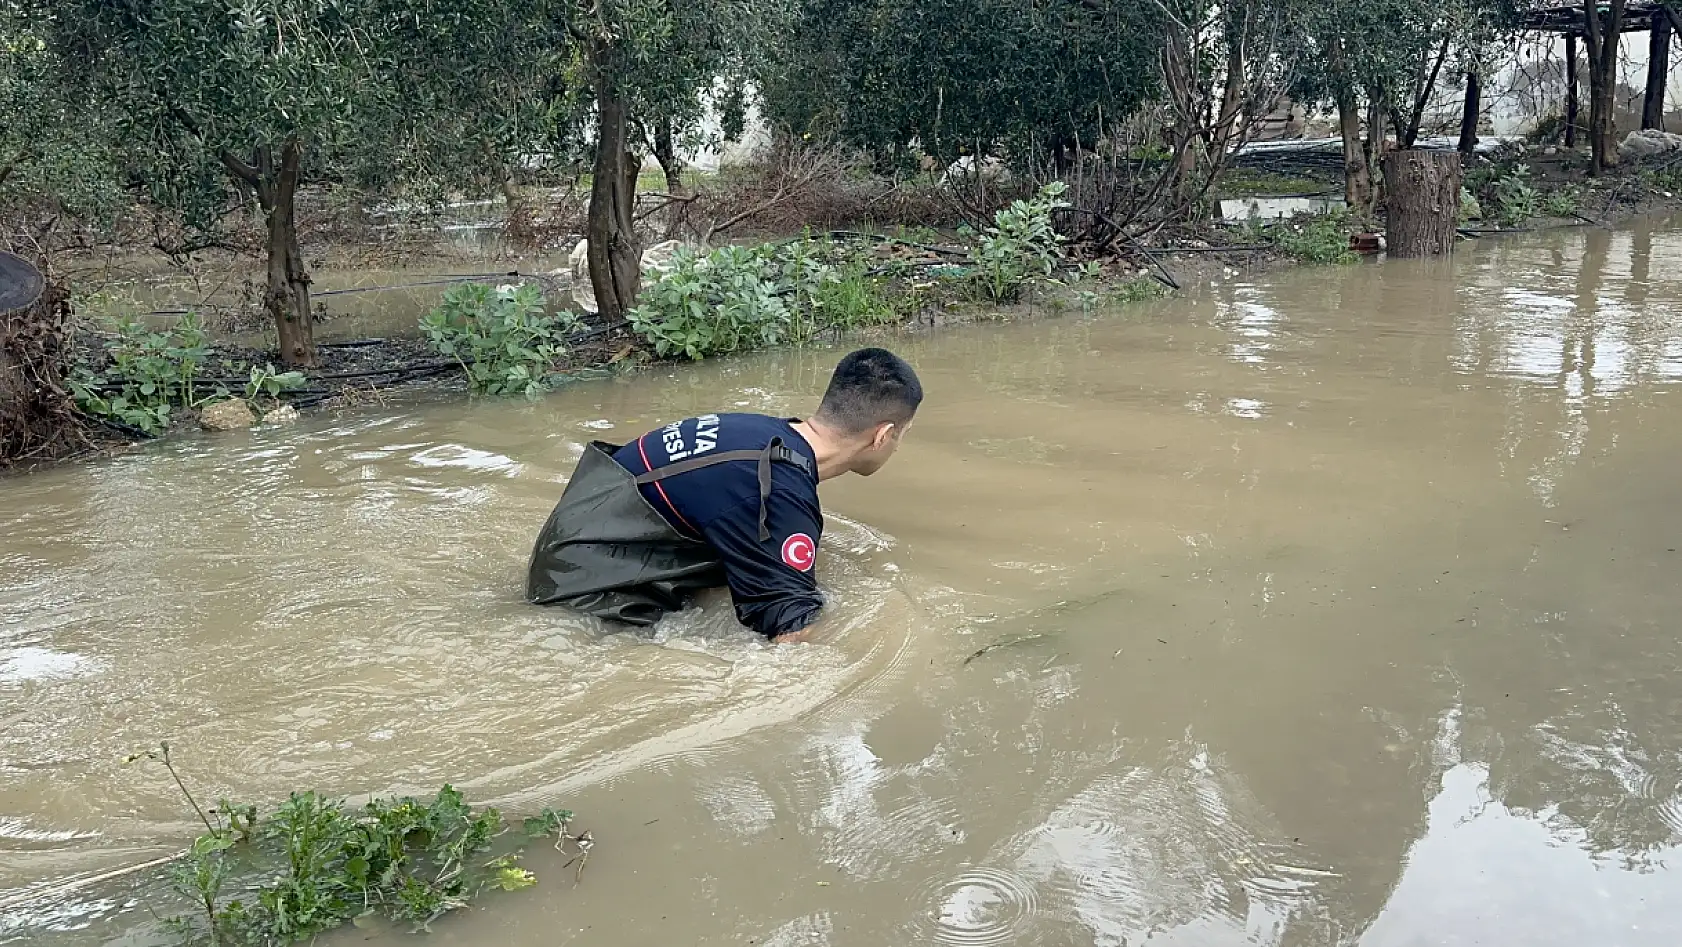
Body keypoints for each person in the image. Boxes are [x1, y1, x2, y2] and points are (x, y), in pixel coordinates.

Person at [526, 347, 923, 641]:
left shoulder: (759, 432)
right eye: (902, 435)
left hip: (571, 545)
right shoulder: (777, 490)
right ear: (883, 435)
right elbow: (792, 636)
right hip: (580, 594)